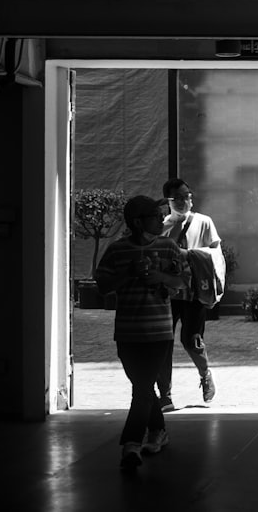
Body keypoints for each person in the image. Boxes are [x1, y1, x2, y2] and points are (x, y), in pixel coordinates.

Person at [94, 195, 189, 470]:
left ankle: (131, 444)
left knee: (142, 389)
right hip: (127, 332)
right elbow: (102, 285)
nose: (161, 220)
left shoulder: (169, 247)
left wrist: (160, 278)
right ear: (138, 222)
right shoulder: (117, 250)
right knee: (144, 388)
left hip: (159, 331)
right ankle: (158, 431)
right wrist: (130, 274)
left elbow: (183, 281)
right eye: (155, 216)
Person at [156, 178, 221, 411]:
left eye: (188, 195)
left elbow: (216, 256)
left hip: (194, 293)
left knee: (191, 339)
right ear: (168, 201)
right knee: (164, 343)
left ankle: (205, 374)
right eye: (179, 197)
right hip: (168, 293)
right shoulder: (161, 227)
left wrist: (188, 254)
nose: (185, 201)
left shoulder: (204, 222)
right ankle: (165, 394)